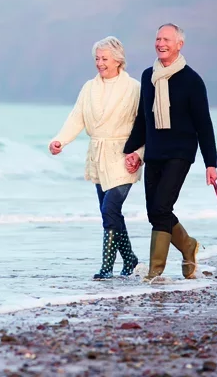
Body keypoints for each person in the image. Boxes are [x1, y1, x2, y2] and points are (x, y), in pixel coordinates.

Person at [123, 23, 217, 280]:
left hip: (180, 152)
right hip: (154, 151)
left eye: (166, 39)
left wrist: (211, 163)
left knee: (162, 207)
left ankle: (155, 271)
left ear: (179, 44)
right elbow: (143, 119)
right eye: (157, 39)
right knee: (154, 211)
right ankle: (188, 246)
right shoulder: (148, 76)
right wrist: (129, 151)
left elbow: (204, 124)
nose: (160, 43)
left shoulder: (192, 80)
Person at [49, 36, 145, 280]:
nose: (99, 63)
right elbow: (77, 117)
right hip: (98, 155)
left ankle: (106, 267)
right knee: (109, 212)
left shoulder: (133, 87)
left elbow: (143, 125)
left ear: (117, 60)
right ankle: (131, 260)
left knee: (110, 207)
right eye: (97, 58)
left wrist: (139, 154)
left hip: (124, 156)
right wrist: (60, 140)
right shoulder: (89, 88)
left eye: (104, 59)